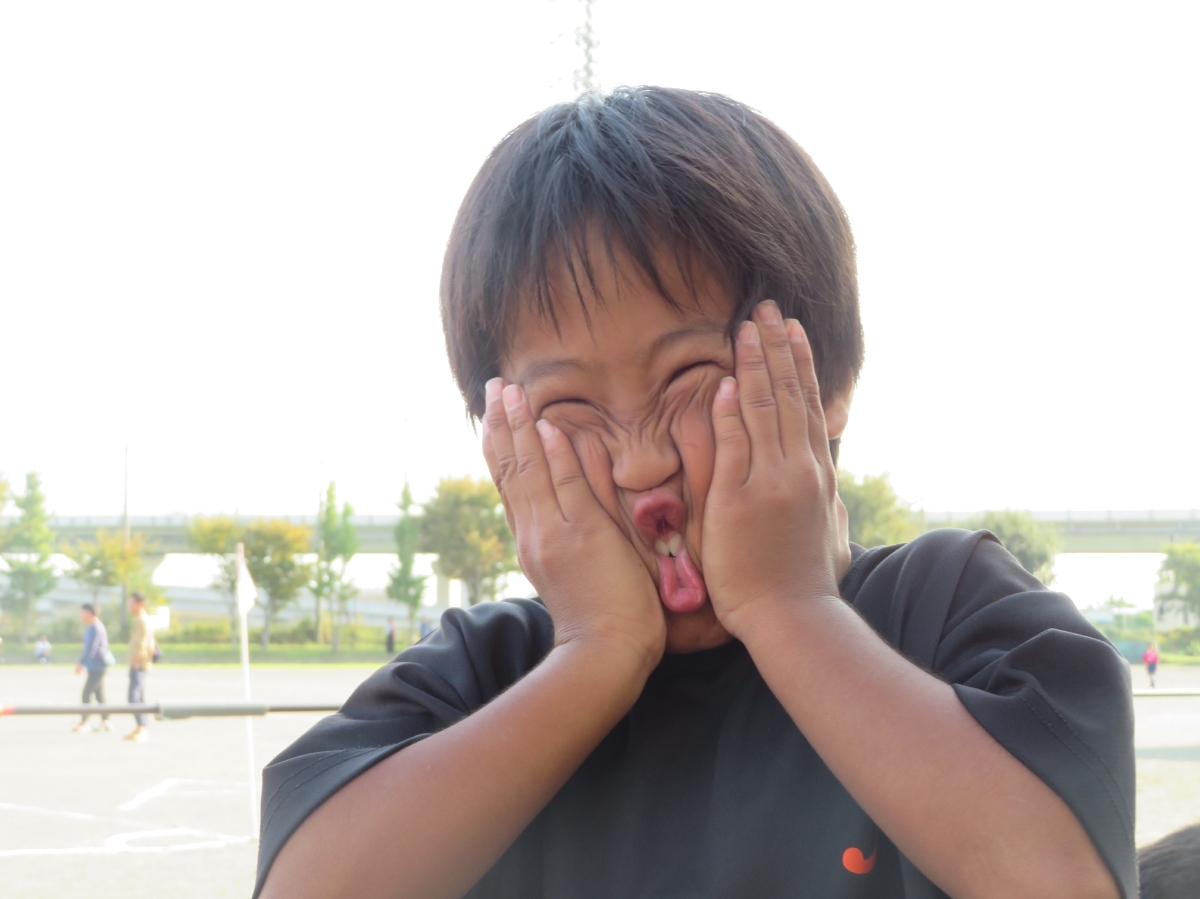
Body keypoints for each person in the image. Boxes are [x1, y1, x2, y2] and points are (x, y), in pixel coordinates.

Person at [256, 88, 1135, 899]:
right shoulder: (488, 670)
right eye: (568, 409)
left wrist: (788, 606)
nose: (639, 465)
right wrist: (597, 649)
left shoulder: (944, 607)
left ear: (827, 382)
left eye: (688, 379)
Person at [73, 604, 110, 732]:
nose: (81, 615)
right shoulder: (91, 627)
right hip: (94, 667)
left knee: (86, 693)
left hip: (98, 666)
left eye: (83, 612)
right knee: (99, 694)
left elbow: (91, 648)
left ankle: (84, 722)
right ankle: (105, 721)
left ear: (89, 613)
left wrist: (81, 663)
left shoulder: (95, 627)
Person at [124, 592, 156, 742]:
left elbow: (142, 643)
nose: (129, 605)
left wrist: (137, 660)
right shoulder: (141, 619)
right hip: (139, 662)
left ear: (140, 604)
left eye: (132, 603)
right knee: (138, 696)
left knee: (133, 696)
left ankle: (142, 727)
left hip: (140, 663)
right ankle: (140, 727)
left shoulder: (142, 620)